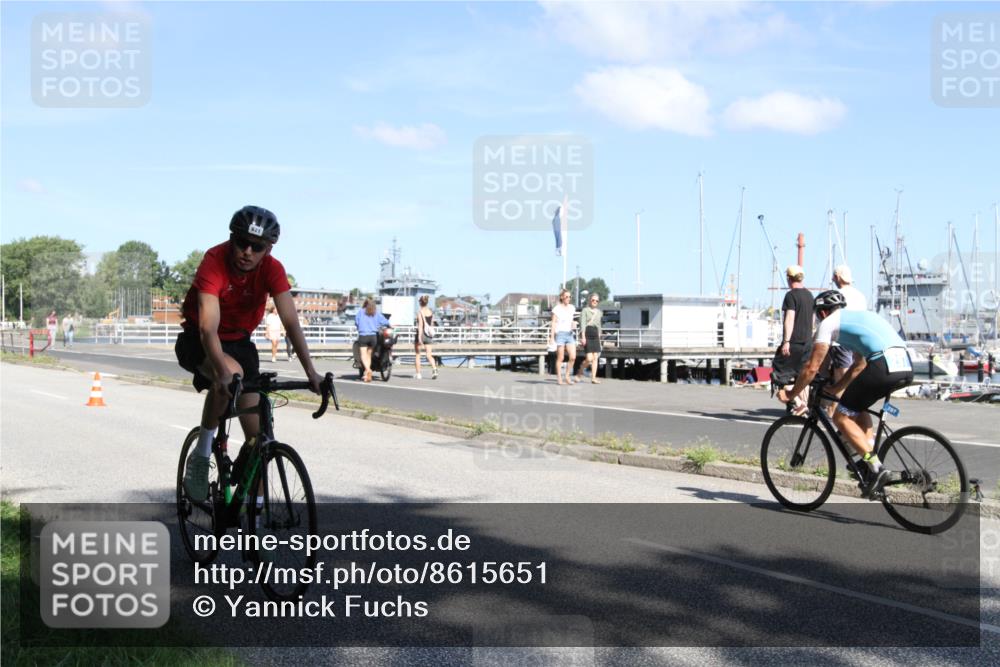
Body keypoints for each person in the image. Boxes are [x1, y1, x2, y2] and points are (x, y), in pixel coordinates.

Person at [176, 205, 322, 503]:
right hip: (199, 339)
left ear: (268, 249)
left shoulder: (272, 269)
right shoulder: (214, 261)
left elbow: (291, 321)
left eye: (257, 247)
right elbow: (207, 328)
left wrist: (311, 372)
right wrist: (222, 372)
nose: (247, 252)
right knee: (230, 375)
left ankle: (255, 517)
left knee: (259, 442)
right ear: (232, 239)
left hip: (240, 344)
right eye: (242, 243)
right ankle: (201, 455)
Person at [778, 290, 914, 498]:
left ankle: (876, 467)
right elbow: (859, 364)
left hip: (883, 365)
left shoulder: (828, 323)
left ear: (822, 313)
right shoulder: (858, 319)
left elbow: (812, 367)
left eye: (817, 315)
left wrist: (791, 394)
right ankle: (868, 457)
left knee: (840, 417)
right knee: (857, 408)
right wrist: (837, 388)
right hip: (904, 365)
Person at [771, 266, 813, 409]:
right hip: (807, 342)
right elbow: (812, 319)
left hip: (794, 341)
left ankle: (798, 403)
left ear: (789, 278)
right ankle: (805, 405)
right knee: (802, 375)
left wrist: (786, 341)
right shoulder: (809, 295)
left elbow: (790, 318)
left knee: (780, 373)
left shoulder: (791, 296)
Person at [828, 264, 868, 391]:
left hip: (841, 339)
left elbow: (830, 319)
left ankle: (840, 400)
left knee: (841, 378)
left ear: (838, 277)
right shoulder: (860, 296)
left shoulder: (836, 295)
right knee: (855, 372)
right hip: (858, 340)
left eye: (834, 277)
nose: (833, 279)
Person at [355, 298, 389, 382]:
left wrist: (359, 327)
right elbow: (385, 321)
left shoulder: (360, 312)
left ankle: (368, 370)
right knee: (369, 355)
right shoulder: (376, 313)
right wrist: (390, 325)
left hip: (363, 335)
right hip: (373, 337)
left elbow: (356, 322)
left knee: (363, 355)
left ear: (365, 304)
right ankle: (367, 375)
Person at [549, 289, 577, 385]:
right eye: (566, 296)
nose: (568, 298)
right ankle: (559, 378)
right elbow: (553, 323)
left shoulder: (572, 308)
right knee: (560, 358)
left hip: (569, 334)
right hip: (560, 334)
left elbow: (571, 320)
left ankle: (567, 376)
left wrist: (573, 324)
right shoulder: (557, 309)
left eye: (570, 297)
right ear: (562, 297)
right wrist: (552, 337)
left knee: (573, 357)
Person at [576, 293, 603, 384]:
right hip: (587, 333)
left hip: (595, 334)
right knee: (589, 358)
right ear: (589, 300)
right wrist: (583, 337)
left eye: (596, 301)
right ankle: (580, 371)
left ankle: (593, 378)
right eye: (593, 300)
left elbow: (599, 325)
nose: (595, 302)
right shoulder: (585, 310)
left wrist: (599, 336)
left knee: (595, 357)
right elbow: (583, 324)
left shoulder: (599, 312)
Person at [414, 294, 438, 380]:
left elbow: (420, 326)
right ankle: (434, 369)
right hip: (428, 335)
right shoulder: (431, 312)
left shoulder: (420, 312)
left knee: (418, 355)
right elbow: (431, 324)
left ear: (420, 302)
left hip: (421, 334)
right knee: (429, 355)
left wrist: (419, 338)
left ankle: (418, 374)